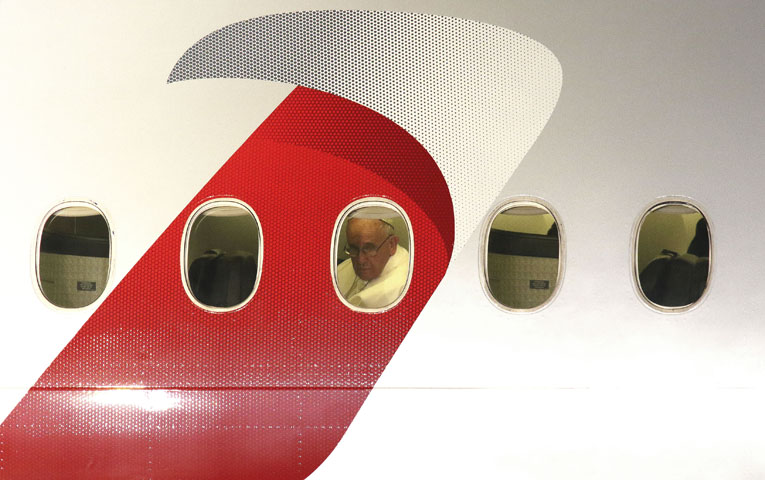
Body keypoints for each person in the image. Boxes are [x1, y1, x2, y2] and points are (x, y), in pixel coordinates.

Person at [336, 217, 409, 309]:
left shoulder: (405, 289)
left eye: (369, 249)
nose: (360, 260)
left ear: (391, 245)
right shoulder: (341, 269)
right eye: (354, 248)